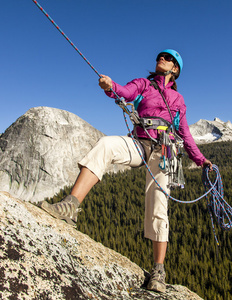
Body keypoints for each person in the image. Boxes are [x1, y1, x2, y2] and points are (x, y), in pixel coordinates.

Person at [39, 49, 212, 293]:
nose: (161, 58)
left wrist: (201, 160)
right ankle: (71, 205)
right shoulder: (144, 84)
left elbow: (185, 133)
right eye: (161, 56)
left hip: (164, 153)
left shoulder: (178, 100)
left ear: (175, 70)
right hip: (140, 144)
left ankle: (158, 271)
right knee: (105, 145)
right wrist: (110, 87)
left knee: (158, 206)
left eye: (168, 58)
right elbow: (124, 92)